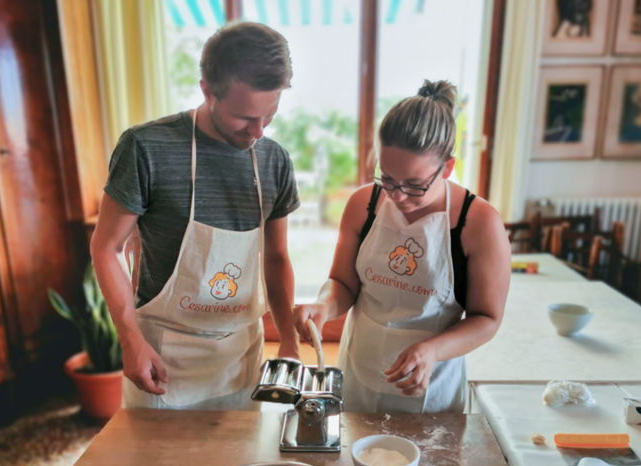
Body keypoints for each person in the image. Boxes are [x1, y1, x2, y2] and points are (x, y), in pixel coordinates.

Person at [90, 22, 300, 410]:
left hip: (240, 356)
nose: (257, 132)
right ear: (207, 90)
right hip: (163, 356)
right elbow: (107, 247)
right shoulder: (146, 147)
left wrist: (289, 339)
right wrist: (131, 340)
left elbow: (276, 257)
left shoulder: (275, 160)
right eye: (243, 117)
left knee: (239, 448)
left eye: (269, 115)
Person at [293, 80, 510, 413]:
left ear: (447, 168)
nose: (398, 196)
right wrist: (324, 306)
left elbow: (487, 319)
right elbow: (343, 283)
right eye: (388, 179)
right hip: (360, 369)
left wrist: (431, 351)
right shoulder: (363, 204)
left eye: (414, 185)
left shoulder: (479, 222)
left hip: (432, 386)